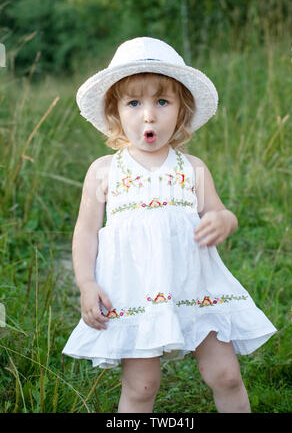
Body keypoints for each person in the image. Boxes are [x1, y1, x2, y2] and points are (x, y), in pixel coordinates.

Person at [62, 37, 277, 413]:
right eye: (134, 103)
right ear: (116, 113)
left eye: (162, 102)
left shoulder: (192, 169)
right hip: (135, 292)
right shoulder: (104, 171)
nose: (149, 115)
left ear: (181, 110)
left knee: (226, 375)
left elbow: (219, 211)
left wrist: (223, 221)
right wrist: (86, 282)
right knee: (142, 387)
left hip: (196, 286)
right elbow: (85, 231)